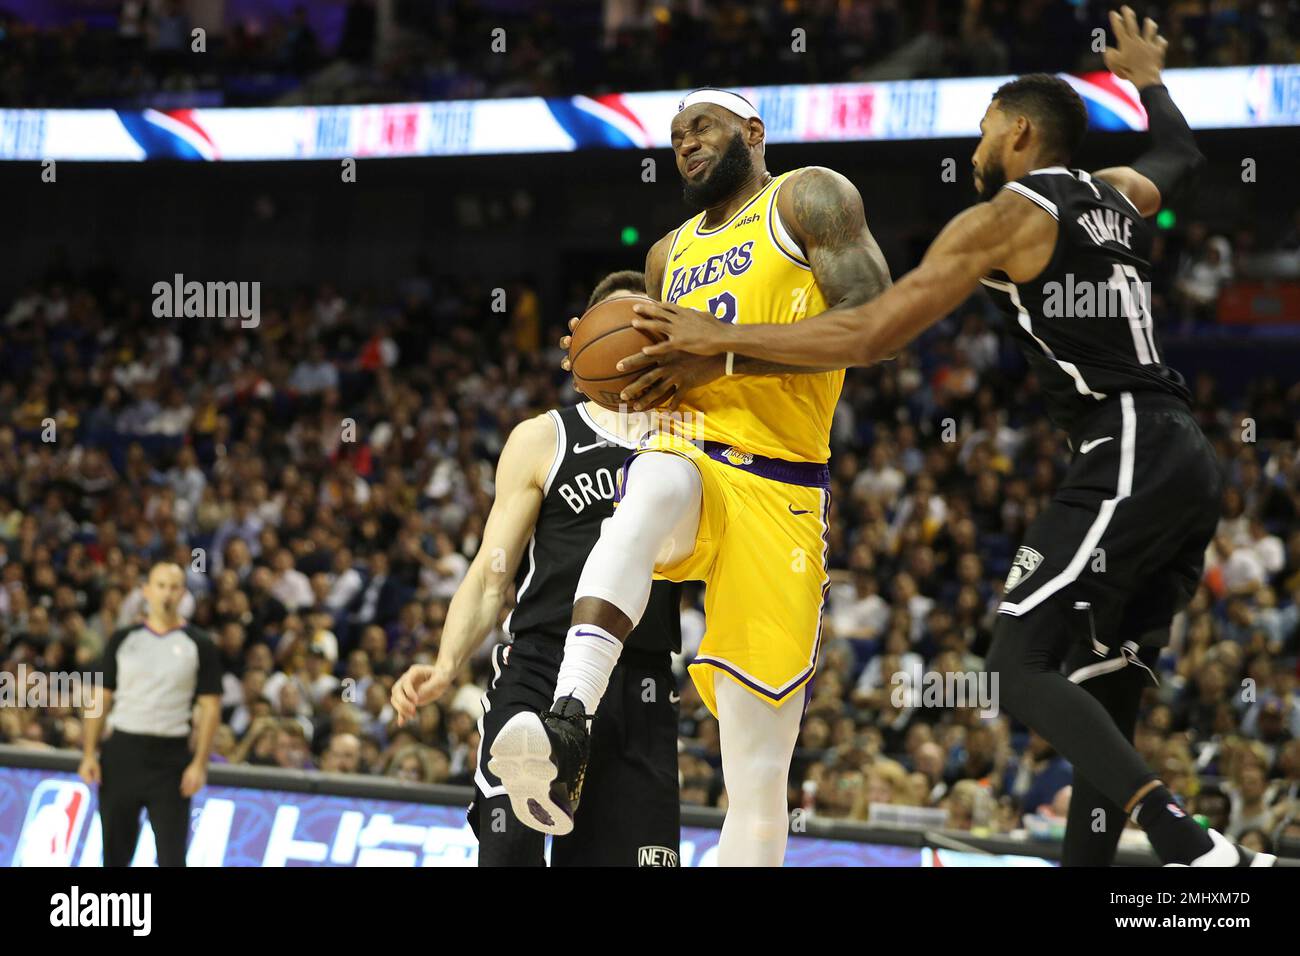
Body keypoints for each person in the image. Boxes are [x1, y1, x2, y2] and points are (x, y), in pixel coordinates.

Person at [626, 9, 1274, 867]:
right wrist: (1150, 82)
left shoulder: (1004, 216)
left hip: (1125, 446)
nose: (972, 149)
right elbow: (1182, 160)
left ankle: (1188, 846)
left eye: (980, 132)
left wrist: (723, 343)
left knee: (1013, 660)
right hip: (1187, 456)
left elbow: (870, 333)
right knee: (1100, 689)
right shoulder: (1112, 194)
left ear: (1017, 132)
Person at [490, 87, 892, 866]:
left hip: (783, 489)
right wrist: (605, 367)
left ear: (752, 130)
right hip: (693, 464)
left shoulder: (808, 197)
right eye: (674, 136)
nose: (685, 143)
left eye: (700, 127)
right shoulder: (665, 255)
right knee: (651, 484)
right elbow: (663, 369)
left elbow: (877, 326)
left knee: (759, 777)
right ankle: (568, 719)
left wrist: (727, 346)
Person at [391, 273, 684, 866]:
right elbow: (490, 572)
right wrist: (447, 664)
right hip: (540, 662)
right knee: (508, 851)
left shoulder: (693, 438)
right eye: (613, 325)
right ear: (583, 340)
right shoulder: (544, 437)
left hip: (639, 676)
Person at [79, 562, 222, 866]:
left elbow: (210, 707)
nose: (167, 593)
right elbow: (100, 698)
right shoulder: (123, 639)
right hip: (122, 752)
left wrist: (199, 764)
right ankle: (116, 914)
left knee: (172, 858)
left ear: (183, 593)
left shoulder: (200, 644)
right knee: (115, 856)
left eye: (174, 587)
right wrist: (89, 752)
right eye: (160, 585)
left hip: (170, 757)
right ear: (146, 591)